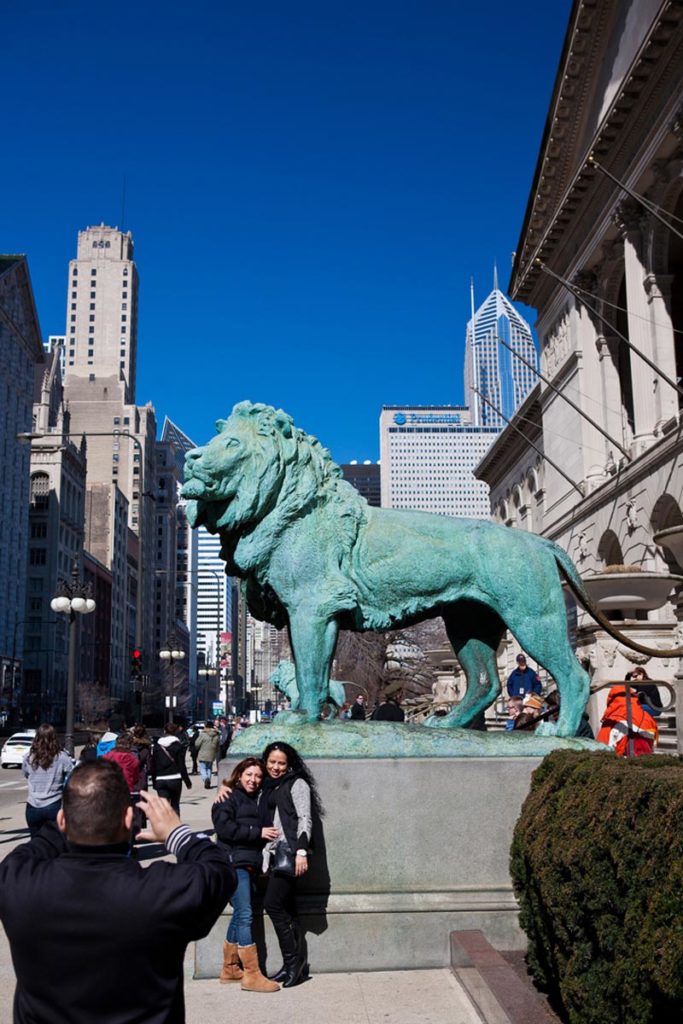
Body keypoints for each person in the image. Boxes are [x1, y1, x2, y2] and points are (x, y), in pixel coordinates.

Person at [0, 760, 235, 1023]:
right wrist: (175, 832)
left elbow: (36, 847)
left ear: (62, 820)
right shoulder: (162, 891)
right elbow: (220, 870)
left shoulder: (17, 881)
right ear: (128, 819)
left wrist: (75, 813)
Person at [212, 757, 280, 993]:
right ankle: (251, 974)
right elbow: (224, 829)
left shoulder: (255, 799)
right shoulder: (228, 797)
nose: (254, 780)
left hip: (248, 864)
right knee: (245, 914)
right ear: (239, 774)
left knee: (241, 912)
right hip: (232, 863)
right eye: (249, 774)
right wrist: (257, 832)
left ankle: (230, 968)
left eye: (258, 776)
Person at [261, 741, 323, 987]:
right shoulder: (269, 784)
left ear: (289, 765)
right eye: (272, 762)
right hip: (274, 853)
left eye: (281, 763)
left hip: (289, 853)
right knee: (287, 908)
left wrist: (301, 851)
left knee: (273, 905)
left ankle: (292, 964)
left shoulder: (297, 784)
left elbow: (305, 819)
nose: (275, 767)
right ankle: (296, 965)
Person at [22, 724, 73, 837]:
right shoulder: (62, 757)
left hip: (33, 804)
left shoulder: (28, 757)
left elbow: (25, 774)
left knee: (35, 842)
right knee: (55, 841)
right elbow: (71, 775)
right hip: (54, 803)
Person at [597, 685, 658, 756]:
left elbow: (600, 750)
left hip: (621, 764)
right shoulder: (649, 719)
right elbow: (654, 744)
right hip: (645, 761)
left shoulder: (612, 721)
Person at [151, 722, 192, 813]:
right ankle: (175, 826)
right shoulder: (178, 746)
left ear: (164, 731)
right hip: (175, 778)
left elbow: (153, 765)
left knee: (163, 807)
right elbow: (182, 765)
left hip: (160, 779)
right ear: (175, 732)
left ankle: (164, 826)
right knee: (175, 805)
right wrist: (187, 781)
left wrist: (154, 781)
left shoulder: (157, 747)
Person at [195, 719, 221, 789]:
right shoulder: (217, 735)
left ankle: (206, 779)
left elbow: (197, 744)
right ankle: (208, 782)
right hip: (212, 754)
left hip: (203, 754)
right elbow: (218, 746)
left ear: (206, 727)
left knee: (202, 768)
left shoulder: (203, 734)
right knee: (209, 768)